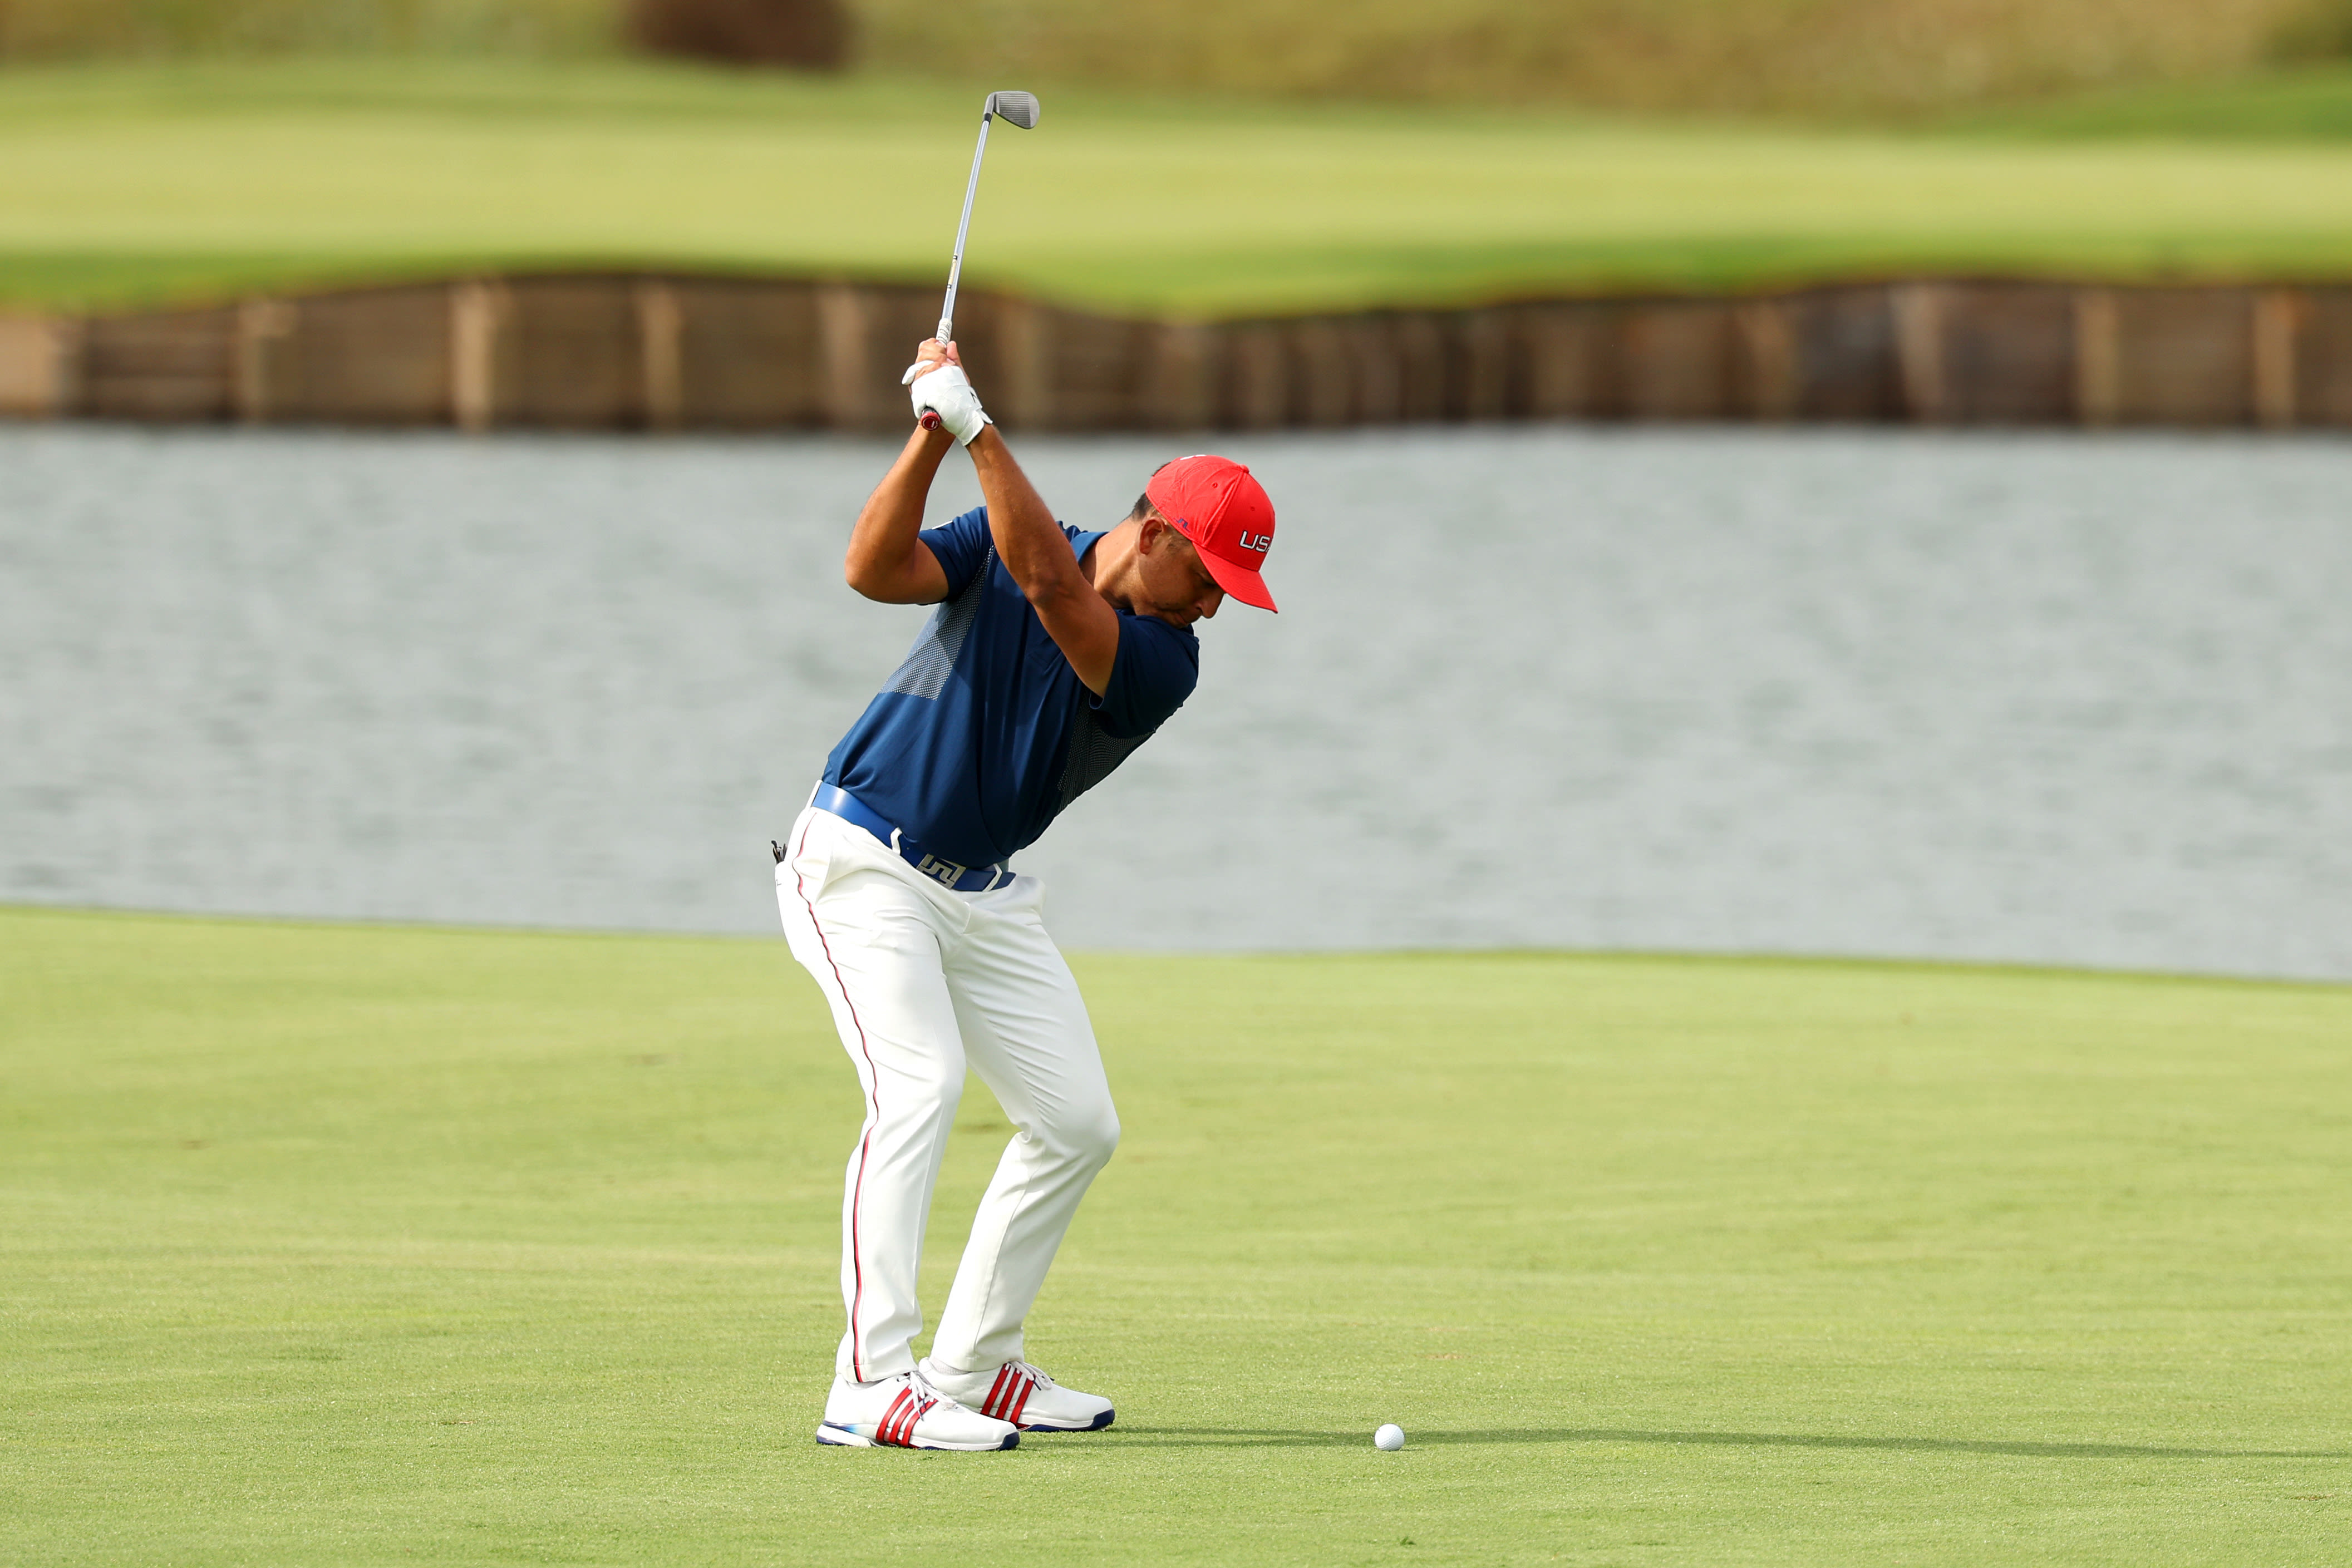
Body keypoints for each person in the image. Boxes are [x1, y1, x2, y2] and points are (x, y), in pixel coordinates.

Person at [773, 338, 1280, 1451]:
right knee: (919, 1085)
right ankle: (870, 1381)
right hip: (860, 859)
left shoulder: (1162, 660)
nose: (1214, 606)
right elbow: (872, 566)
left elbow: (1050, 580)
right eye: (1208, 577)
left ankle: (971, 1361)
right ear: (1152, 535)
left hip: (981, 897)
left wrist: (977, 428)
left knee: (1076, 1121)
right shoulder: (1004, 544)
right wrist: (929, 436)